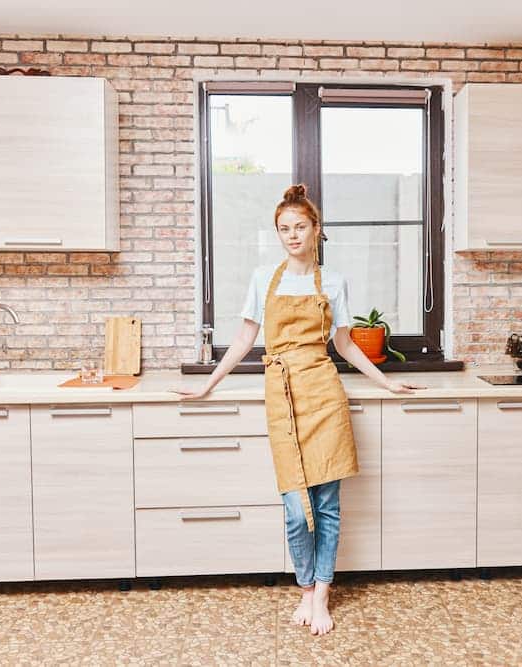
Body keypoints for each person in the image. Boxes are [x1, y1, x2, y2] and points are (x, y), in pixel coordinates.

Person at [173, 184, 424, 636]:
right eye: (284, 229)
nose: (292, 235)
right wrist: (207, 385)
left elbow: (345, 345)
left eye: (300, 227)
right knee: (294, 506)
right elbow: (246, 339)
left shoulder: (334, 281)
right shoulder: (262, 279)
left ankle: (321, 593)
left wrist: (387, 381)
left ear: (316, 229)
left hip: (323, 392)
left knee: (326, 503)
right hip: (281, 392)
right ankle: (305, 585)